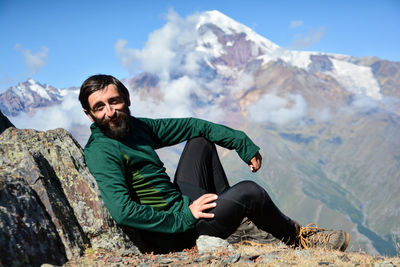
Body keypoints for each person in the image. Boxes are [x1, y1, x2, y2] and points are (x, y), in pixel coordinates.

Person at [79, 74, 350, 253]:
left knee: (200, 142)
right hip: (174, 231)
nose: (110, 112)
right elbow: (123, 211)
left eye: (114, 101)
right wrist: (184, 217)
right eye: (100, 107)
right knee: (250, 192)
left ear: (126, 100)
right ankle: (299, 238)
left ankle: (235, 228)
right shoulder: (102, 151)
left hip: (184, 209)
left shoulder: (134, 128)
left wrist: (240, 142)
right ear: (89, 114)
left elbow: (193, 126)